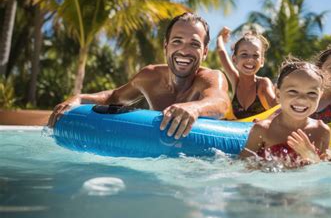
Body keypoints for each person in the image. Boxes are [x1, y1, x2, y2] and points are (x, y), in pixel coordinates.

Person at [48, 12, 230, 139]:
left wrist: (195, 108)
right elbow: (114, 97)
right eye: (177, 41)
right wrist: (79, 98)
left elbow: (220, 101)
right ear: (166, 46)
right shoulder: (149, 78)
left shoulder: (211, 77)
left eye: (194, 44)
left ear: (205, 52)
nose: (184, 50)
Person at [239, 59, 331, 167]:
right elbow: (243, 166)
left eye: (311, 93)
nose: (302, 99)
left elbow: (323, 170)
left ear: (320, 96)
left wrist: (310, 155)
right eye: (293, 91)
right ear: (278, 94)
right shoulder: (263, 130)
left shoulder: (322, 131)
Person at [216, 27, 277, 119]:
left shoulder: (263, 84)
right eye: (244, 54)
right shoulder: (236, 81)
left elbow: (277, 107)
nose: (250, 59)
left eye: (255, 55)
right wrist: (220, 37)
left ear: (262, 61)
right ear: (234, 59)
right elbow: (222, 53)